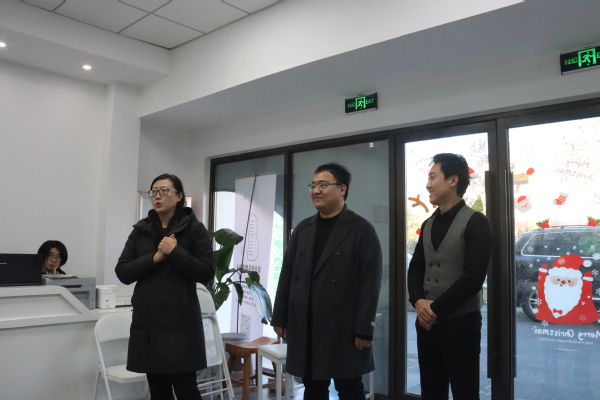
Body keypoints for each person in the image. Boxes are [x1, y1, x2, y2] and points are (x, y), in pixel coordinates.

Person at [271, 162, 383, 400]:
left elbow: (370, 284)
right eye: (313, 186)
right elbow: (288, 274)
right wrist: (279, 316)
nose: (316, 191)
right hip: (307, 324)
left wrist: (365, 329)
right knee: (313, 388)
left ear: (342, 189)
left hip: (345, 326)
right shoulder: (303, 229)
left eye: (323, 185)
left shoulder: (361, 230)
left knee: (350, 388)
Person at [115, 174, 214, 400]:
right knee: (158, 391)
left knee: (186, 389)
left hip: (181, 325)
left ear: (179, 196)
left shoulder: (195, 229)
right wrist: (154, 258)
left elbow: (206, 272)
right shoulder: (141, 230)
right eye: (154, 192)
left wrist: (175, 252)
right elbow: (123, 272)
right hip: (148, 324)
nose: (157, 196)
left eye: (164, 191)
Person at [407, 153, 494, 400]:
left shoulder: (477, 223)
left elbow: (473, 278)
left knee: (464, 392)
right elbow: (416, 267)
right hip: (426, 325)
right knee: (431, 392)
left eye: (432, 177)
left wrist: (433, 309)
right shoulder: (428, 223)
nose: (428, 185)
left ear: (453, 180)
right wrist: (418, 302)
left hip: (461, 324)